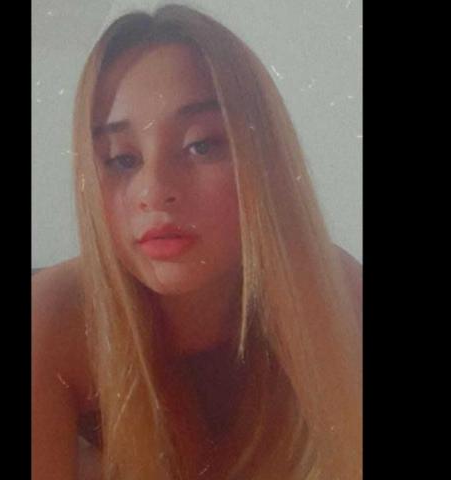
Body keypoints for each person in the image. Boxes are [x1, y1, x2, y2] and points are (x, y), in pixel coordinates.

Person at [32, 4, 362, 480]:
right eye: (121, 159)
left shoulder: (334, 291)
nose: (154, 191)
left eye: (201, 145)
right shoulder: (50, 319)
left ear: (264, 158)